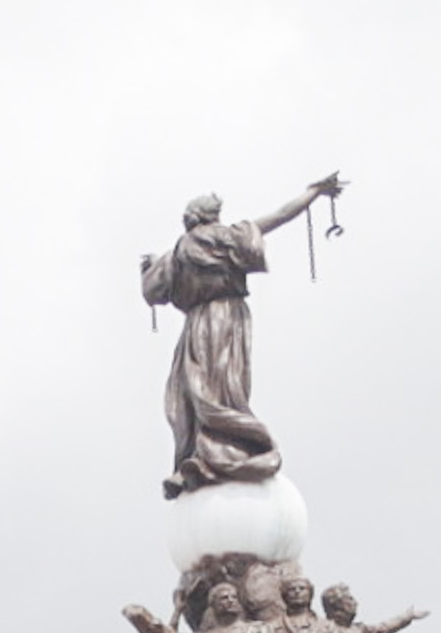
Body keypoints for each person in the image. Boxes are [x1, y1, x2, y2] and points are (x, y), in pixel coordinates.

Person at [140, 174, 345, 498]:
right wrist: (313, 193)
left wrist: (152, 264)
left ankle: (204, 454)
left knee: (194, 390)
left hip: (197, 325)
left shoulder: (178, 253)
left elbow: (153, 287)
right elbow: (279, 216)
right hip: (226, 318)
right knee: (220, 385)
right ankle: (220, 450)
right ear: (213, 216)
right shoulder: (228, 237)